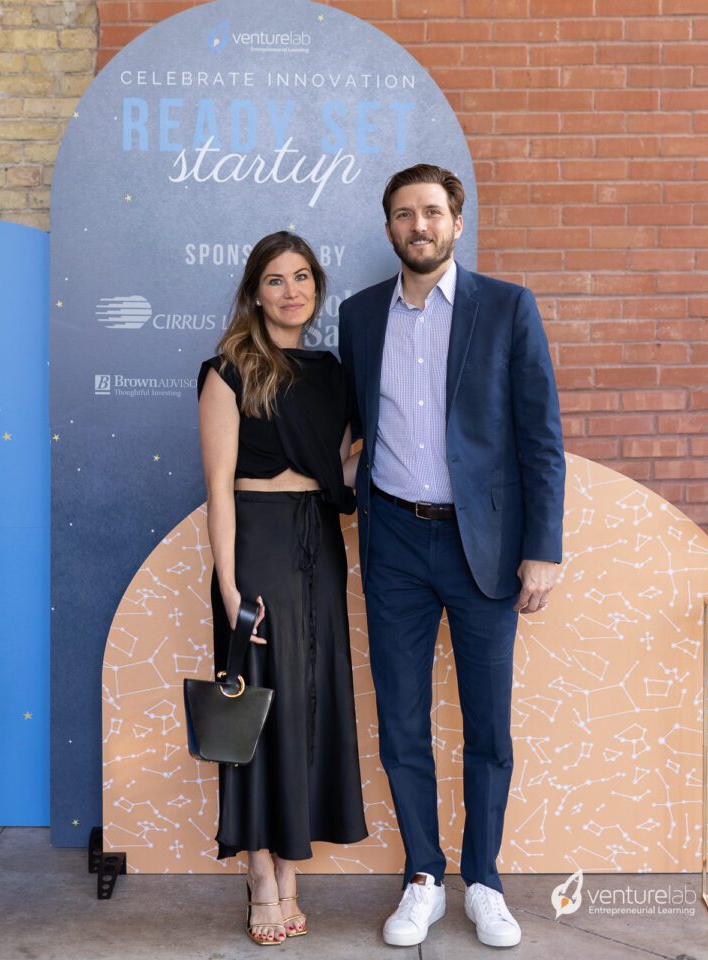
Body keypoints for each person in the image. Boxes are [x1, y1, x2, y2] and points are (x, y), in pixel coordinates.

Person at [338, 164, 565, 948]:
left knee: (487, 726)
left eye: (432, 212)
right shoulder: (360, 315)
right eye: (404, 215)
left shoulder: (506, 308)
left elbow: (541, 440)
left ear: (457, 223)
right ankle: (424, 876)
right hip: (394, 539)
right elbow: (357, 425)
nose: (419, 226)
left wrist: (542, 551)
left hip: (486, 547)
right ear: (390, 228)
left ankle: (486, 880)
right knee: (400, 719)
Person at [197, 231, 368, 946]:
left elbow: (344, 471)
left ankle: (290, 866)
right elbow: (218, 487)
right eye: (275, 279)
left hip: (318, 542)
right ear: (254, 290)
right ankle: (261, 873)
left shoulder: (332, 372)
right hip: (258, 541)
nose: (290, 290)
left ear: (316, 289)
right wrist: (231, 587)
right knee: (258, 709)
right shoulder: (228, 368)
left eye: (302, 277)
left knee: (308, 701)